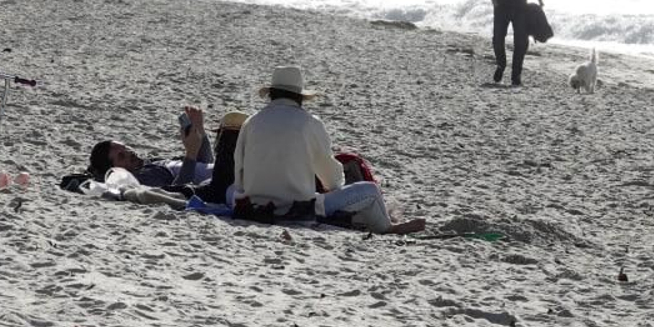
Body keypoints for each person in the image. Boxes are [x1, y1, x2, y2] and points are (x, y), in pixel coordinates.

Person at [233, 67, 422, 233]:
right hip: (298, 208)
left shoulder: (251, 122)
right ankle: (387, 228)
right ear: (299, 97)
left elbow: (239, 172)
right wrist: (329, 189)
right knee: (370, 191)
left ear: (271, 94)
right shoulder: (309, 122)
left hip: (253, 205)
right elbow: (331, 178)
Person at [89, 106, 214, 190]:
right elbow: (179, 191)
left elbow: (204, 164)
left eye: (126, 147)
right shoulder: (142, 177)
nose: (129, 153)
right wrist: (191, 152)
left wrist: (200, 129)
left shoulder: (151, 163)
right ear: (114, 169)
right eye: (121, 156)